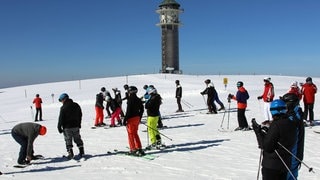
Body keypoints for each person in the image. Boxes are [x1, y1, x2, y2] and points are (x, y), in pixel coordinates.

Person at [252, 99, 297, 180]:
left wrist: (258, 133)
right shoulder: (291, 123)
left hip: (272, 165)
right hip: (285, 163)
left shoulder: (276, 125)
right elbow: (281, 138)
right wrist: (267, 132)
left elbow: (267, 146)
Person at [282, 93, 305, 180]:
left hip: (292, 155)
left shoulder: (293, 117)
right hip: (294, 155)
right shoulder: (295, 114)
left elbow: (285, 136)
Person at [57, 93, 85, 159]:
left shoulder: (63, 107)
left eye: (61, 100)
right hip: (76, 126)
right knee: (77, 138)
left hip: (67, 127)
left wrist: (59, 127)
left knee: (68, 140)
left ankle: (71, 154)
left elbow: (61, 118)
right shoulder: (76, 105)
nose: (61, 102)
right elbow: (80, 115)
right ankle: (82, 152)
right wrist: (79, 124)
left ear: (64, 99)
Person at [123, 86, 145, 156]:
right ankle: (139, 147)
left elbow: (128, 111)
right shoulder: (138, 99)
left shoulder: (130, 100)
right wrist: (139, 117)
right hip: (137, 118)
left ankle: (133, 149)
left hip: (131, 119)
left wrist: (125, 119)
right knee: (135, 133)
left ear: (130, 92)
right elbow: (142, 109)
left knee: (130, 134)